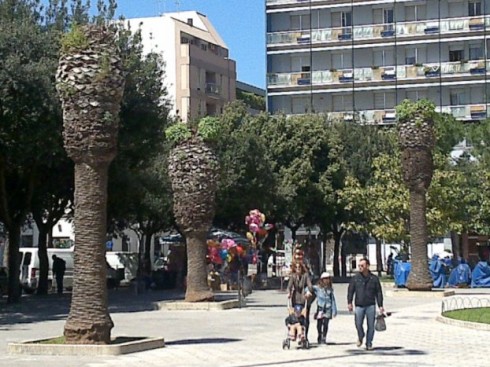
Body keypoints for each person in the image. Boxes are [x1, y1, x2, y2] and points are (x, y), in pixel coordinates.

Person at [347, 257, 384, 351]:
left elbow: (378, 292)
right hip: (359, 305)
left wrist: (380, 305)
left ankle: (369, 343)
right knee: (358, 324)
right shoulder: (355, 278)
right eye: (359, 266)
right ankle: (361, 335)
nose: (360, 267)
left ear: (367, 266)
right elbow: (350, 291)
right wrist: (349, 302)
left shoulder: (374, 278)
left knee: (371, 326)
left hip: (370, 305)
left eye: (362, 265)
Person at [287, 261, 313, 340]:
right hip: (295, 299)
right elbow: (289, 286)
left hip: (303, 298)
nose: (298, 269)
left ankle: (304, 335)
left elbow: (310, 286)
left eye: (299, 268)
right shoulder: (293, 276)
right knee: (293, 315)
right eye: (296, 268)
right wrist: (289, 292)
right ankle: (293, 334)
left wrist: (308, 292)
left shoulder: (305, 276)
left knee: (304, 317)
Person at [312, 272, 337, 345]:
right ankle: (319, 334)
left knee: (326, 323)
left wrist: (334, 310)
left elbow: (332, 299)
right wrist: (307, 292)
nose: (326, 280)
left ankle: (324, 337)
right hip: (320, 308)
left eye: (328, 279)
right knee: (319, 323)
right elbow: (309, 288)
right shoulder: (318, 288)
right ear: (322, 280)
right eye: (325, 279)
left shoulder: (330, 289)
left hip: (328, 308)